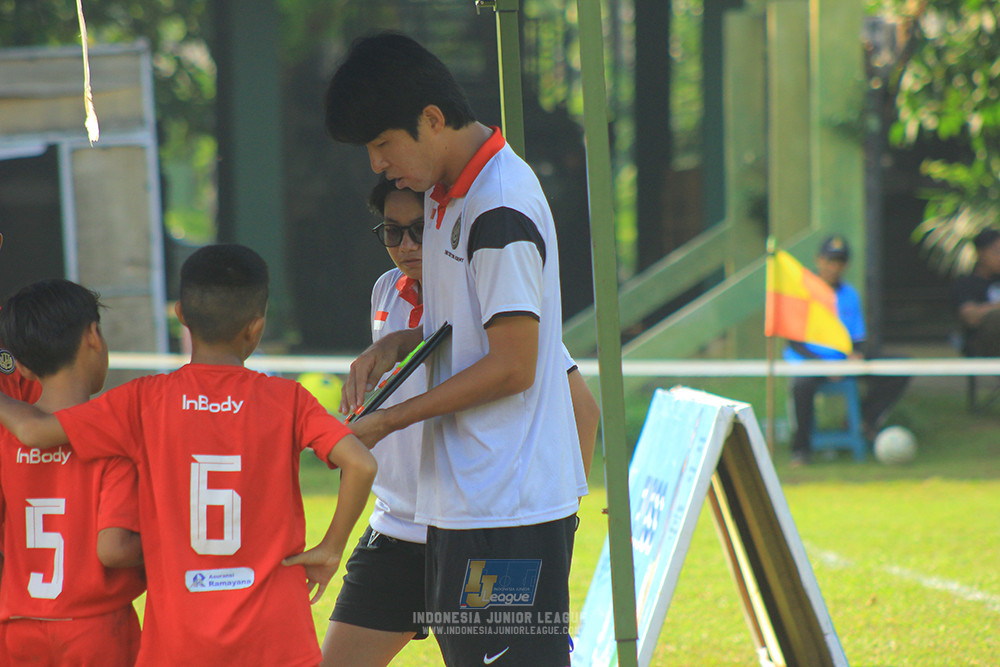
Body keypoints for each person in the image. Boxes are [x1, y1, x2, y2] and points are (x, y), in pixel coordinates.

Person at [326, 32, 589, 667]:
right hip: (462, 507)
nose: (376, 165)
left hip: (509, 513)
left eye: (382, 144)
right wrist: (397, 342)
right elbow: (469, 327)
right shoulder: (449, 199)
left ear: (432, 119)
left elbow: (514, 364)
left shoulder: (498, 205)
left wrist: (388, 419)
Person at [0, 244, 377, 666]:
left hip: (178, 641)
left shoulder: (142, 402)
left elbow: (34, 431)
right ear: (256, 327)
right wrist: (330, 548)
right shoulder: (288, 399)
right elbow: (360, 463)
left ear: (181, 314)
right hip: (275, 636)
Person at [0, 279, 145, 666]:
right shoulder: (115, 437)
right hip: (94, 627)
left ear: (24, 368)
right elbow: (113, 550)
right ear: (93, 335)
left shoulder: (6, 439)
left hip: (17, 623)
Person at [786, 236, 909, 465]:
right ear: (818, 260)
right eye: (830, 260)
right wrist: (824, 365)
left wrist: (856, 355)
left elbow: (857, 338)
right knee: (801, 386)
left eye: (840, 262)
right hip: (809, 362)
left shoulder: (849, 294)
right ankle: (801, 449)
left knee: (898, 366)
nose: (834, 267)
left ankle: (863, 421)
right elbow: (794, 343)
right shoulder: (801, 292)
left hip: (842, 360)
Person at [953, 228, 1000, 357]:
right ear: (981, 253)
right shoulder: (966, 283)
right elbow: (970, 317)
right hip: (983, 345)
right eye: (996, 252)